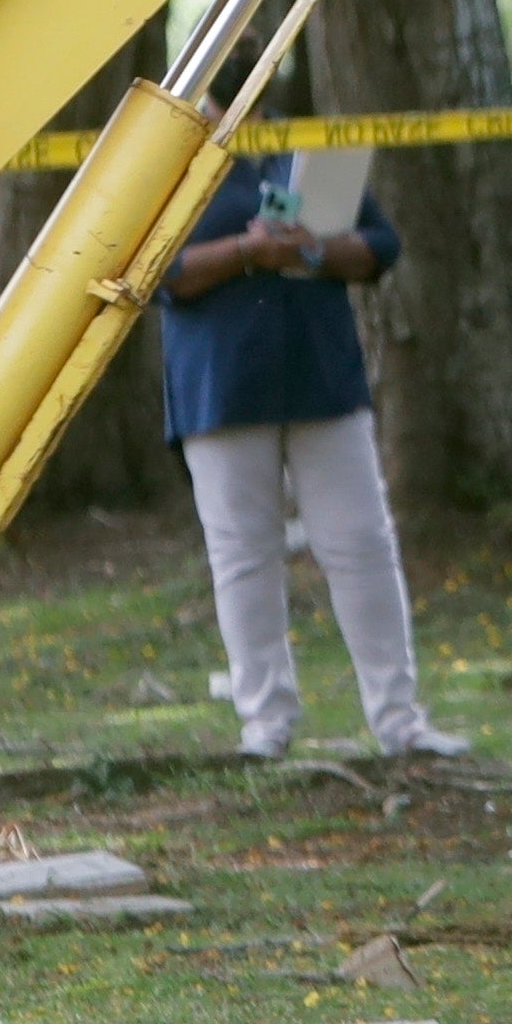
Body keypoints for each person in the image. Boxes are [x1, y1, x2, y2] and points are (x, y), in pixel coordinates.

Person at [156, 152, 470, 761]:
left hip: (321, 376)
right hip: (220, 383)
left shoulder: (300, 150)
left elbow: (380, 245)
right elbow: (157, 270)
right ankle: (265, 724)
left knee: (362, 544)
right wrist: (247, 252)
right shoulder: (173, 157)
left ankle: (400, 721)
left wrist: (314, 250)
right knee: (244, 554)